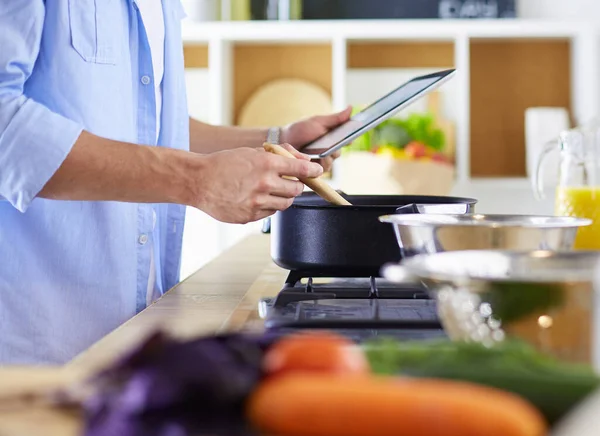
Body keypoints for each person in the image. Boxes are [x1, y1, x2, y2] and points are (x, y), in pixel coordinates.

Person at [0, 1, 351, 365]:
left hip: (128, 337)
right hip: (29, 350)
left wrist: (274, 139)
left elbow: (145, 124)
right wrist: (195, 179)